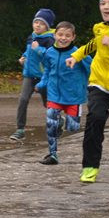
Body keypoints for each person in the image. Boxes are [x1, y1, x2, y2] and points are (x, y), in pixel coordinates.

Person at [66, 0, 109, 183]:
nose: (106, 6)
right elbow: (93, 44)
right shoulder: (99, 28)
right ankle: (90, 167)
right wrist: (75, 56)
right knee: (95, 119)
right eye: (103, 3)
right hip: (99, 83)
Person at [33, 21, 91, 165]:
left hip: (73, 96)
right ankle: (52, 155)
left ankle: (62, 121)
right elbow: (47, 70)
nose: (63, 38)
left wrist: (96, 84)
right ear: (54, 35)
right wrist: (41, 84)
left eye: (67, 35)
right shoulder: (49, 53)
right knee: (51, 123)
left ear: (73, 37)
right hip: (54, 94)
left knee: (73, 128)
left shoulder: (79, 53)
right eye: (60, 35)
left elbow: (93, 68)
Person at [8, 8, 57, 141]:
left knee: (48, 103)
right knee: (23, 100)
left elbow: (51, 56)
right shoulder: (32, 36)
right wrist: (22, 58)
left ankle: (58, 119)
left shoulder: (50, 39)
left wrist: (39, 49)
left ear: (47, 26)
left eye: (41, 23)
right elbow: (28, 51)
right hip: (29, 75)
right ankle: (20, 130)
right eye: (36, 22)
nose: (37, 25)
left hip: (44, 77)